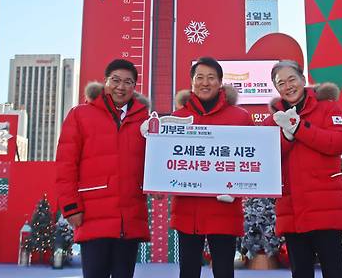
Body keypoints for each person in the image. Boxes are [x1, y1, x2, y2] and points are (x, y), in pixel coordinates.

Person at [55, 59, 150, 278]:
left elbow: (153, 162)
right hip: (92, 215)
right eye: (115, 80)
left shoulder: (145, 120)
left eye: (128, 82)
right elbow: (66, 164)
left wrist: (159, 185)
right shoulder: (80, 115)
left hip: (129, 218)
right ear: (105, 82)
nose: (121, 86)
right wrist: (70, 207)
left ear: (134, 88)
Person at [263, 59, 342, 278]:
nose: (288, 86)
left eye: (292, 79)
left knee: (334, 271)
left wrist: (300, 128)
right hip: (292, 212)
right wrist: (286, 137)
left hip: (325, 209)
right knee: (300, 272)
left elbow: (338, 142)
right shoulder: (273, 120)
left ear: (303, 79)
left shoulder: (328, 107)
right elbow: (266, 157)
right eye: (280, 83)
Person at [167, 56, 252, 278]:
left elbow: (252, 160)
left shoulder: (241, 118)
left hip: (224, 210)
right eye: (199, 77)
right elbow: (164, 163)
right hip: (188, 211)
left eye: (211, 77)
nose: (205, 82)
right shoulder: (177, 119)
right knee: (188, 271)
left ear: (221, 82)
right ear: (192, 83)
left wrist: (237, 189)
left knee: (224, 270)